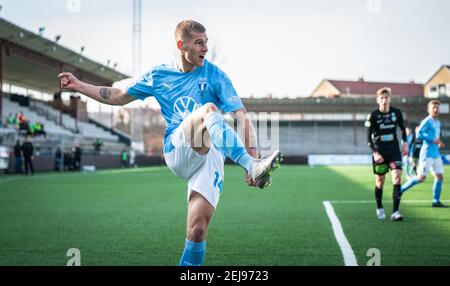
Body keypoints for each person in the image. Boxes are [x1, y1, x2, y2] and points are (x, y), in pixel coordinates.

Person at [58, 20, 282, 266]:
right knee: (208, 110)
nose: (205, 48)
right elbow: (117, 95)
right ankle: (251, 165)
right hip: (177, 148)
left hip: (210, 155)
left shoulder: (216, 75)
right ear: (181, 45)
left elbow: (241, 117)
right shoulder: (159, 75)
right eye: (199, 43)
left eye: (206, 43)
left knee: (197, 230)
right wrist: (79, 85)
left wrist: (253, 153)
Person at [365, 87, 408, 221]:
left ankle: (395, 212)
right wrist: (375, 153)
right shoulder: (373, 116)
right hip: (380, 152)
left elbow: (402, 130)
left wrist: (405, 143)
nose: (384, 100)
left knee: (397, 177)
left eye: (387, 97)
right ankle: (379, 207)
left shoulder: (397, 113)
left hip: (394, 151)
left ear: (390, 99)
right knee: (380, 181)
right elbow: (367, 138)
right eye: (382, 98)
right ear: (378, 100)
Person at [401, 100, 447, 208]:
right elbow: (418, 134)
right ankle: (400, 190)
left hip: (436, 154)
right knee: (420, 178)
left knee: (439, 176)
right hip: (426, 154)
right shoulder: (427, 121)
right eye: (433, 107)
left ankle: (436, 201)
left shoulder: (438, 122)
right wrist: (433, 139)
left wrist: (439, 142)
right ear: (429, 109)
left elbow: (435, 137)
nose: (435, 109)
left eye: (437, 107)